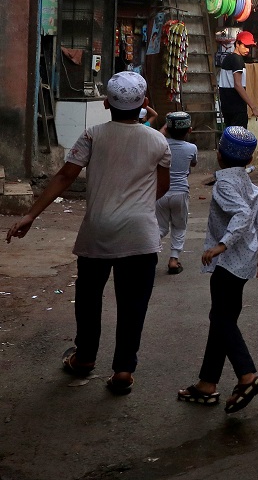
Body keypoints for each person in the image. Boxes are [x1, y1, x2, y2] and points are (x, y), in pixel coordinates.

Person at [5, 72, 171, 395]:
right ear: (144, 105)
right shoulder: (158, 141)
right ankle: (124, 370)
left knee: (88, 298)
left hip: (98, 231)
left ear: (106, 103)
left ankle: (84, 358)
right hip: (141, 236)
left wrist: (30, 214)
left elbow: (66, 176)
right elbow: (162, 186)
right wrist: (136, 208)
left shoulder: (92, 136)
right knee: (133, 304)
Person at [177, 127, 258, 414]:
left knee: (221, 317)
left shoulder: (225, 185)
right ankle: (207, 383)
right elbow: (257, 217)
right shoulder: (244, 180)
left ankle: (247, 374)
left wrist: (221, 245)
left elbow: (243, 214)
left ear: (218, 156)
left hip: (230, 262)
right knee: (223, 318)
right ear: (249, 157)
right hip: (243, 260)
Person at [156, 111, 199, 275]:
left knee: (160, 228)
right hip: (180, 191)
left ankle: (147, 251)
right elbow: (193, 164)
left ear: (167, 129)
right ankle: (174, 259)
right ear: (189, 130)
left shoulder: (161, 144)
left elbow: (156, 136)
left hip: (160, 191)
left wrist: (165, 127)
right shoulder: (191, 148)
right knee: (179, 226)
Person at [218, 31, 258, 128]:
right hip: (237, 108)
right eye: (245, 46)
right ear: (237, 44)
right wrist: (253, 107)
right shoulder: (237, 60)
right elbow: (237, 85)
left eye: (249, 47)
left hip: (227, 107)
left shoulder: (228, 58)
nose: (248, 50)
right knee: (240, 139)